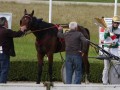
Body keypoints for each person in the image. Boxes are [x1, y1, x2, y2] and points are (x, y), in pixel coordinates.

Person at [0, 17, 26, 83]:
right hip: (4, 53)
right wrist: (22, 30)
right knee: (4, 69)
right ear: (5, 23)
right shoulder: (6, 31)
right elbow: (17, 34)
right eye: (7, 22)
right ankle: (2, 85)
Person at [102, 16, 120, 85]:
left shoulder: (119, 30)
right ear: (112, 22)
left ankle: (114, 80)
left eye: (118, 23)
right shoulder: (108, 28)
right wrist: (106, 33)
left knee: (116, 65)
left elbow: (119, 41)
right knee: (106, 67)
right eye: (115, 23)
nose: (116, 24)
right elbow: (104, 38)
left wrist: (116, 43)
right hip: (107, 49)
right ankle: (105, 82)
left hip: (114, 50)